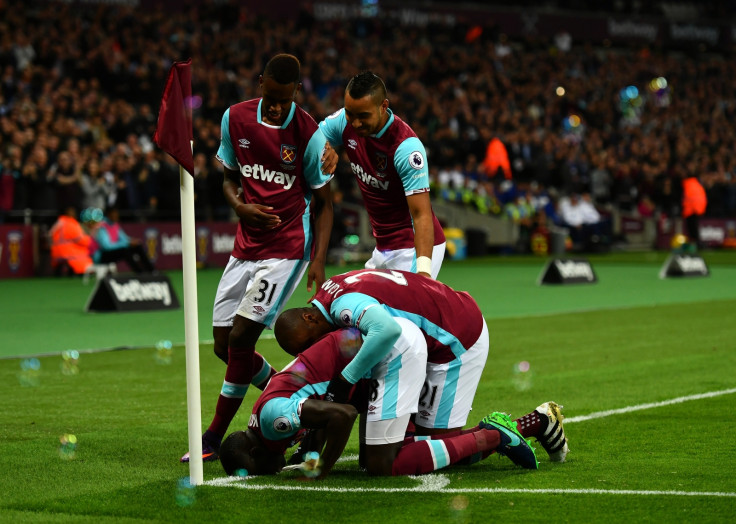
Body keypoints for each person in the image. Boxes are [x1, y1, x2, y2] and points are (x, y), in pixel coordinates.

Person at [181, 54, 336, 463]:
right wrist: (239, 207)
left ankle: (212, 437)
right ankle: (297, 401)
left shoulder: (309, 133)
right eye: (272, 96)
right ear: (260, 81)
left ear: (296, 92)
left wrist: (317, 259)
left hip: (287, 248)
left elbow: (325, 203)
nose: (278, 106)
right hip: (244, 245)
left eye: (286, 99)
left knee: (241, 339)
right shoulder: (235, 118)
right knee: (222, 346)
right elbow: (229, 178)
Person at [273, 268, 569, 467]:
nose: (315, 347)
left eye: (310, 341)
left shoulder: (341, 308)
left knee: (445, 449)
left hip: (455, 339)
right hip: (428, 336)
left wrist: (344, 378)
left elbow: (385, 330)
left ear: (310, 319)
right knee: (400, 448)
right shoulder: (330, 289)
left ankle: (533, 423)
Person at [219, 319, 543, 479]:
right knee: (416, 449)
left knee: (384, 464)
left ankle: (494, 435)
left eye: (259, 467)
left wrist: (323, 468)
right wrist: (310, 452)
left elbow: (342, 414)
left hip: (384, 358)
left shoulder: (272, 422)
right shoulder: (266, 417)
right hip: (369, 368)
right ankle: (528, 425)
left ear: (255, 449)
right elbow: (320, 414)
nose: (268, 472)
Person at [319, 72, 446, 279]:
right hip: (382, 248)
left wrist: (423, 271)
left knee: (404, 310)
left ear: (383, 106)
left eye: (364, 116)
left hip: (413, 248)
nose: (356, 123)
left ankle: (466, 312)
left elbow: (421, 215)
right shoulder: (344, 121)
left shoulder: (406, 147)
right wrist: (324, 148)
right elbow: (310, 141)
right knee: (356, 307)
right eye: (351, 114)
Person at [89, 206, 156, 273]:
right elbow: (107, 246)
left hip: (112, 252)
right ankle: (140, 272)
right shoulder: (102, 227)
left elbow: (124, 238)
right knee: (125, 251)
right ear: (109, 214)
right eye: (114, 214)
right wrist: (127, 243)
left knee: (137, 246)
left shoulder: (115, 225)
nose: (117, 216)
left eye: (117, 214)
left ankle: (152, 271)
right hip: (101, 256)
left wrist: (131, 241)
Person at [48, 206, 94, 276]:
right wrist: (90, 239)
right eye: (72, 211)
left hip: (56, 255)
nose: (74, 213)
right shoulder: (71, 223)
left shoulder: (58, 223)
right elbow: (82, 240)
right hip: (70, 255)